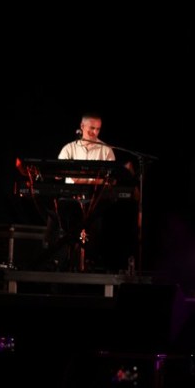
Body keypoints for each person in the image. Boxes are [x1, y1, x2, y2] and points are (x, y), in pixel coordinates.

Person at [46, 113, 118, 271]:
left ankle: (90, 263)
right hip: (70, 198)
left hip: (93, 200)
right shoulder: (69, 148)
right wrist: (65, 172)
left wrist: (88, 180)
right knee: (57, 218)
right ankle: (57, 262)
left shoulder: (106, 150)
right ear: (82, 126)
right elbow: (58, 174)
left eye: (98, 129)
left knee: (97, 223)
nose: (95, 132)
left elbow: (110, 179)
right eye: (91, 128)